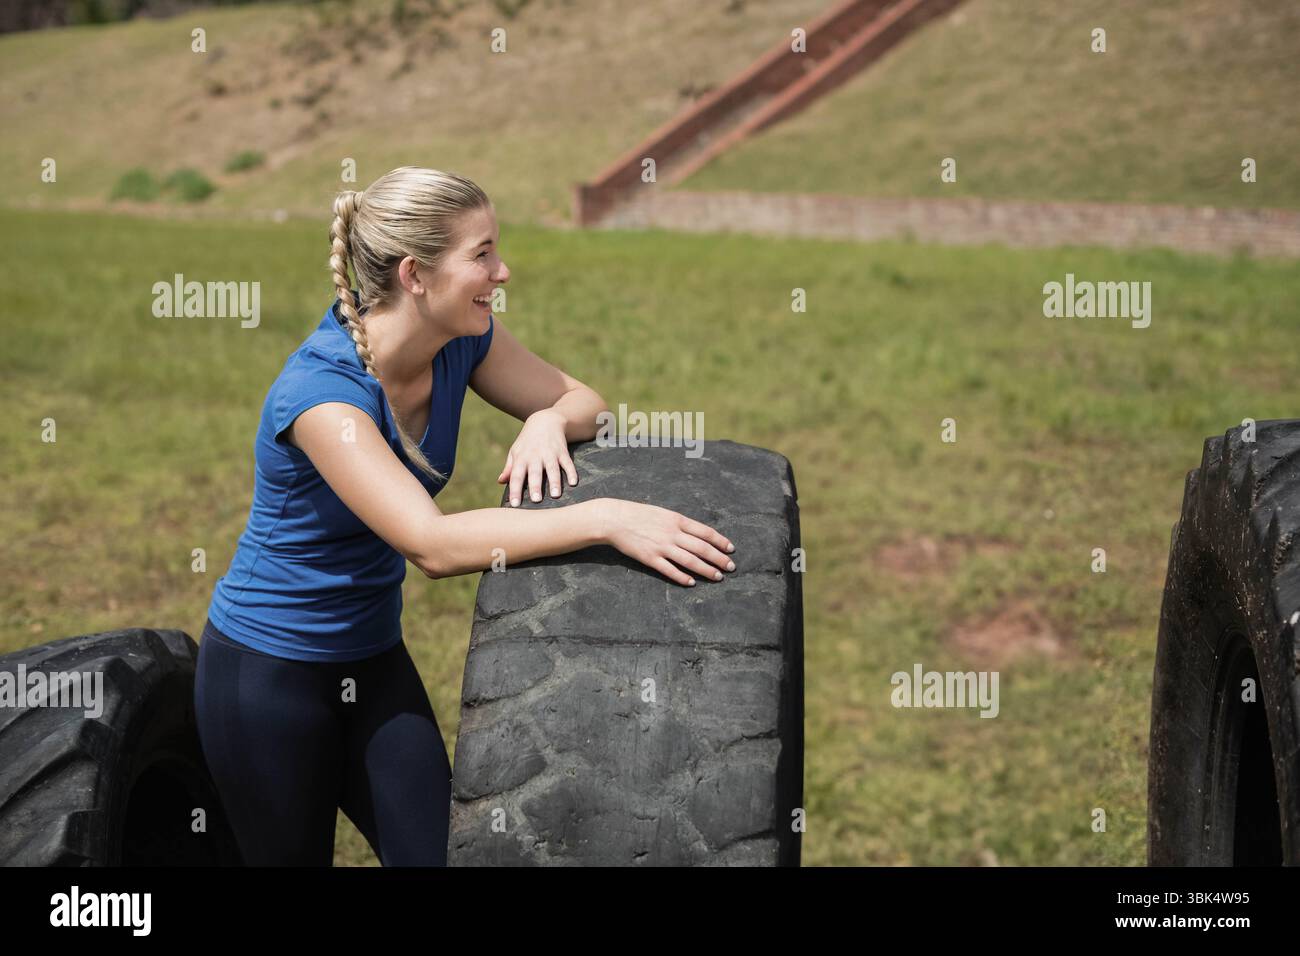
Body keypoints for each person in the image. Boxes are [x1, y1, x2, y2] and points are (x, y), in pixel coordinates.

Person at [193, 166, 737, 866]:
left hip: (371, 659)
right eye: (481, 255)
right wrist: (604, 517)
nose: (502, 271)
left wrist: (547, 420)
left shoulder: (464, 341)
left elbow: (589, 402)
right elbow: (433, 545)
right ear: (416, 275)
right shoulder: (323, 398)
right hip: (266, 679)